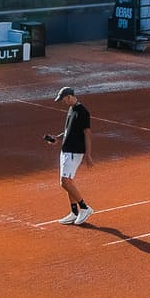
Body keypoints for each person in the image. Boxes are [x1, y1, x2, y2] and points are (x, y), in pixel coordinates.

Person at [45, 86, 94, 224]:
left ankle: (84, 208)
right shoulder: (71, 109)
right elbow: (69, 131)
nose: (62, 102)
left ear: (69, 96)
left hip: (74, 151)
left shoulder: (82, 112)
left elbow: (87, 134)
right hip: (66, 150)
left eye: (63, 99)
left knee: (65, 181)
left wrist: (88, 155)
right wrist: (57, 138)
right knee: (67, 182)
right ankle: (74, 212)